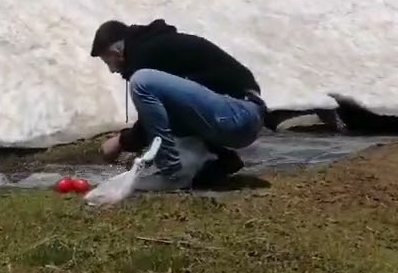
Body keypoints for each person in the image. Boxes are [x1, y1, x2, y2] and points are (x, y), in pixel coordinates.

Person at [90, 18, 269, 188]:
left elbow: (151, 120)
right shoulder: (159, 47)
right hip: (241, 114)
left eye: (108, 62)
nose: (112, 70)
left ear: (117, 53)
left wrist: (121, 141)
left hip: (241, 114)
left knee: (142, 81)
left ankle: (172, 173)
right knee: (166, 106)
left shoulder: (147, 53)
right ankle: (217, 160)